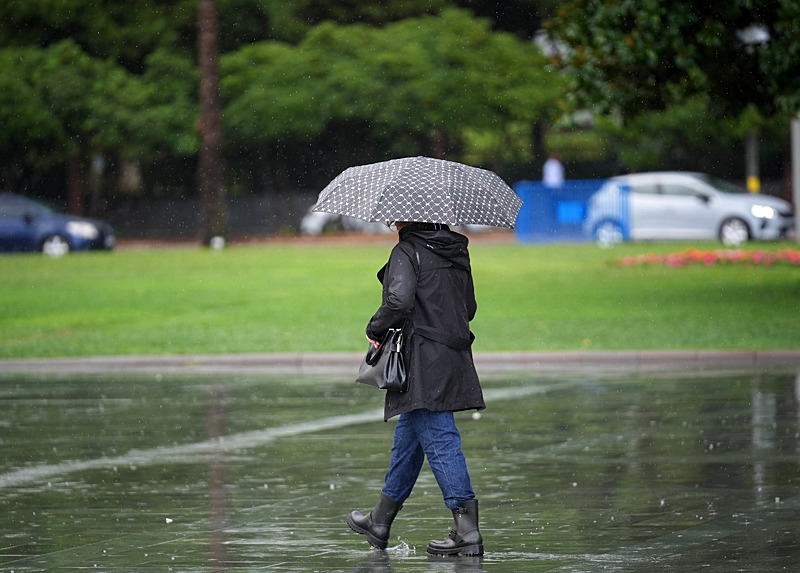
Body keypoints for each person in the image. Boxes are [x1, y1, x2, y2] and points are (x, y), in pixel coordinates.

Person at [346, 220, 485, 557]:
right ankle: (379, 520)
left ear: (407, 217)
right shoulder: (456, 251)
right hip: (452, 356)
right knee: (409, 438)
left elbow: (398, 301)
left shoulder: (407, 251)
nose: (392, 222)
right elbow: (469, 308)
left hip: (423, 360)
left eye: (395, 218)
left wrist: (375, 328)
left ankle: (466, 530)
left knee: (440, 439)